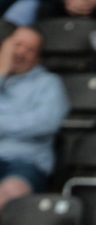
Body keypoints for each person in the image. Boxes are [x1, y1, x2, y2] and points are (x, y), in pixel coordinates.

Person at [0, 26, 69, 211]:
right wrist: (1, 73)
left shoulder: (49, 83)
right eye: (17, 45)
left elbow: (45, 123)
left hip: (26, 164)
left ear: (38, 57)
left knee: (4, 194)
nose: (21, 52)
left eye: (30, 49)